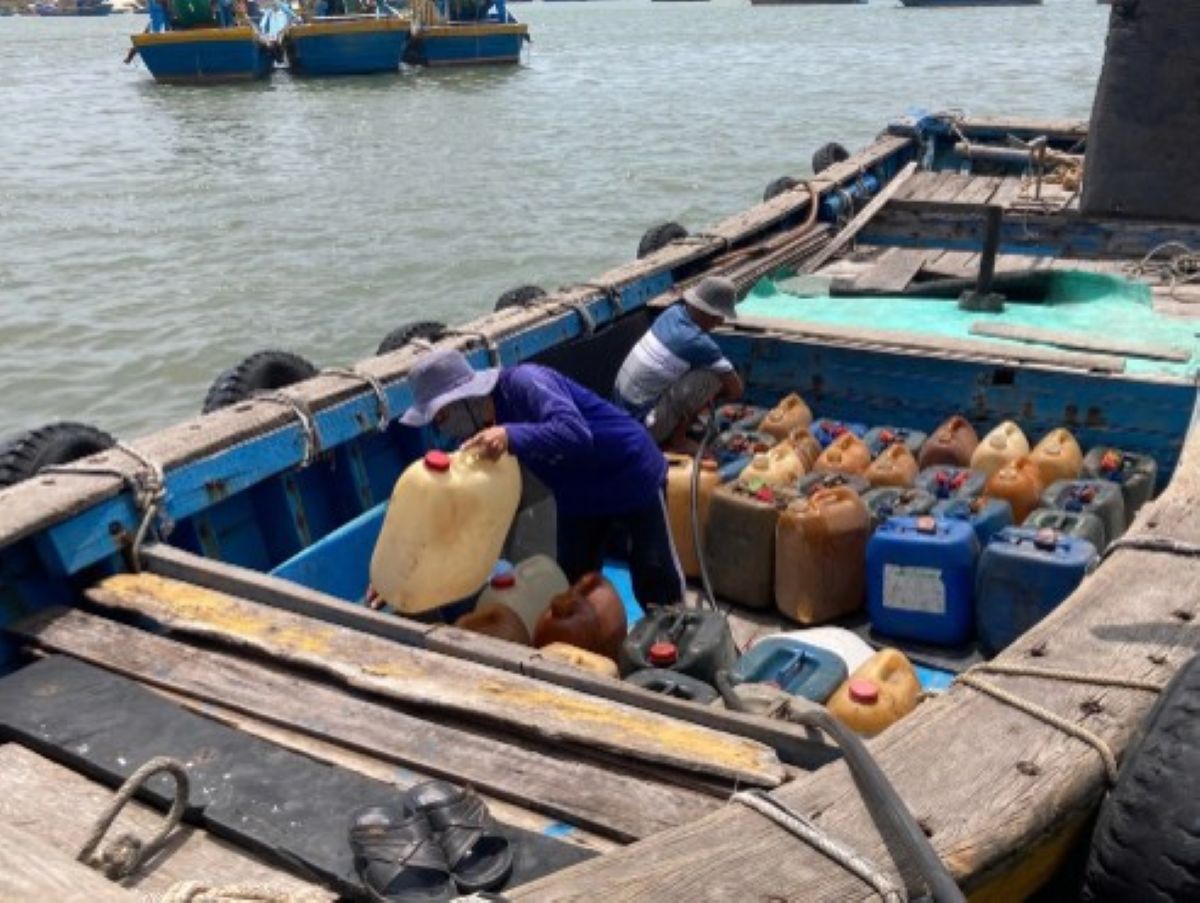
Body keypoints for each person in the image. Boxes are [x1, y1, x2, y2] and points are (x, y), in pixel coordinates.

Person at [395, 349, 685, 610]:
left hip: (628, 473)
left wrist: (511, 434)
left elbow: (575, 433)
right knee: (573, 584)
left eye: (441, 417)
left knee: (656, 579)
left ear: (465, 399)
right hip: (577, 493)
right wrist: (407, 574)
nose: (441, 429)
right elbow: (459, 500)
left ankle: (678, 640)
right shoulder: (478, 434)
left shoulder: (524, 383)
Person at [613, 275, 745, 453]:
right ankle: (678, 440)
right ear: (709, 312)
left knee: (692, 370)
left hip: (621, 414)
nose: (720, 322)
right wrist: (711, 398)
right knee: (712, 378)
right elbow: (736, 390)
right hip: (643, 428)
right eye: (719, 316)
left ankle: (678, 423)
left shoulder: (671, 313)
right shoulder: (699, 342)